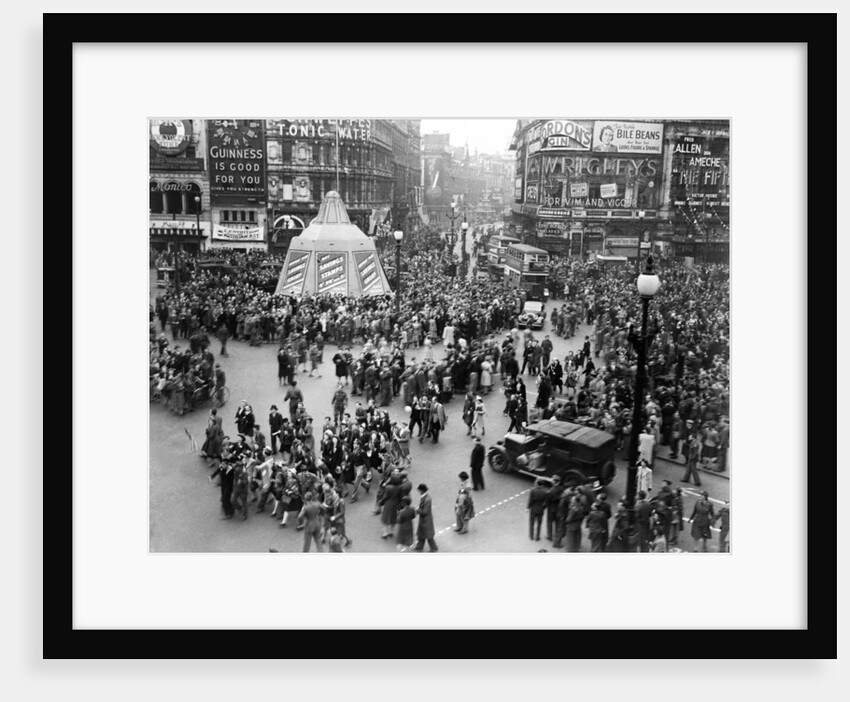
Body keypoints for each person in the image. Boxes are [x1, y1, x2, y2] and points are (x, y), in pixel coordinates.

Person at [413, 483, 438, 552]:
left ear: (422, 490)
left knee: (428, 536)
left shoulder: (427, 499)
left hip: (426, 520)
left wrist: (417, 509)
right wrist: (418, 508)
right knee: (421, 534)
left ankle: (434, 548)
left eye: (419, 490)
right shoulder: (424, 497)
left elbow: (425, 511)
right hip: (424, 519)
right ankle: (419, 547)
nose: (419, 492)